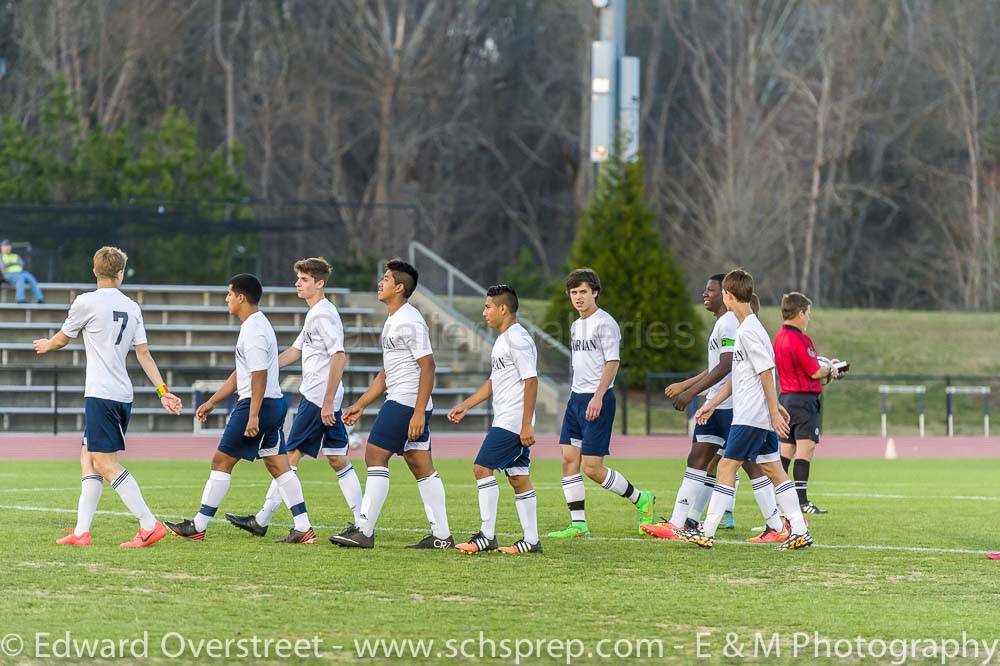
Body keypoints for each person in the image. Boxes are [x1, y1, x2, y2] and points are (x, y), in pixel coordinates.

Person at [33, 246, 181, 548]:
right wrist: (163, 391)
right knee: (88, 458)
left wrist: (47, 345)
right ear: (121, 272)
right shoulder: (132, 306)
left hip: (101, 394)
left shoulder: (85, 302)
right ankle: (81, 532)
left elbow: (63, 338)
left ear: (94, 270)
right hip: (122, 394)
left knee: (104, 463)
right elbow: (144, 354)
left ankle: (148, 524)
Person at [165, 274, 316, 544]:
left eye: (229, 294)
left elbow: (258, 375)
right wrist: (213, 401)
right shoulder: (256, 325)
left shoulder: (254, 329)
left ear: (241, 297)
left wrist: (253, 414)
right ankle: (303, 527)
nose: (227, 299)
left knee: (221, 461)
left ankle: (198, 525)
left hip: (257, 404)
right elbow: (242, 373)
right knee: (278, 465)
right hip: (272, 403)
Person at [224, 258, 363, 536]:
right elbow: (295, 351)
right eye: (298, 278)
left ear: (319, 283)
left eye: (304, 279)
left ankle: (263, 520)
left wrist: (326, 400)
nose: (297, 283)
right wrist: (263, 365)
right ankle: (363, 521)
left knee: (287, 460)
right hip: (323, 397)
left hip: (317, 398)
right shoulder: (315, 313)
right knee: (337, 458)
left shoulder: (323, 314)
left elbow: (339, 355)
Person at [679, 269, 812, 550]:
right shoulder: (745, 329)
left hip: (751, 415)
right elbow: (740, 377)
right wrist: (712, 403)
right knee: (774, 470)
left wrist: (774, 412)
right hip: (757, 413)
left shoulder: (750, 330)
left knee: (727, 466)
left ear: (728, 295)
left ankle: (707, 530)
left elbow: (766, 372)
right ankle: (800, 530)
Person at [330, 259, 453, 550]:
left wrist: (419, 411)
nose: (380, 283)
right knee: (420, 464)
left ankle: (364, 530)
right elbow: (386, 373)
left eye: (386, 279)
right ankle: (443, 537)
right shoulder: (393, 319)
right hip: (405, 399)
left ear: (399, 288)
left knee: (374, 454)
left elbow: (429, 366)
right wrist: (360, 404)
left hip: (407, 402)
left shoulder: (409, 319)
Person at [548, 268, 655, 539]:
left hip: (598, 399)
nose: (578, 297)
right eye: (573, 292)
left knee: (592, 468)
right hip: (576, 399)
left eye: (583, 291)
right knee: (568, 459)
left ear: (594, 292)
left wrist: (597, 396)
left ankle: (641, 499)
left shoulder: (605, 323)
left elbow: (613, 362)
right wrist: (577, 397)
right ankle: (578, 524)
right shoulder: (575, 325)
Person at [448, 285, 542, 555]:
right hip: (507, 418)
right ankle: (531, 541)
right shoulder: (503, 340)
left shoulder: (518, 339)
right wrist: (466, 405)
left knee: (481, 468)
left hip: (512, 421)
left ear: (503, 308)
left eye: (488, 306)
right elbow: (493, 382)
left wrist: (526, 424)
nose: (484, 312)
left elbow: (532, 380)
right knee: (518, 477)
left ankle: (486, 535)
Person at [773, 292, 840, 514]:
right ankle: (802, 502)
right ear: (800, 313)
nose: (809, 318)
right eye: (808, 313)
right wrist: (831, 369)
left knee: (787, 449)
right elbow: (814, 372)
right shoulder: (800, 339)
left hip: (786, 398)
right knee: (805, 449)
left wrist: (826, 367)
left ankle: (778, 500)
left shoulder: (779, 337)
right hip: (803, 401)